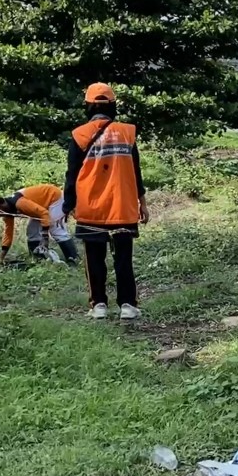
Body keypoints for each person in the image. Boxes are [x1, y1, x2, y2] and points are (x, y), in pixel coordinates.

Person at [63, 83, 150, 322]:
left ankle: (99, 305)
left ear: (89, 106)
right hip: (122, 206)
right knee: (123, 258)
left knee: (94, 259)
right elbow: (136, 171)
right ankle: (128, 306)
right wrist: (142, 202)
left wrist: (67, 205)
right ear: (113, 106)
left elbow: (71, 175)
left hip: (91, 207)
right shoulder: (127, 132)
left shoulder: (79, 134)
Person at [0, 184, 78, 265]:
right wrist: (1, 257)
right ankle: (38, 260)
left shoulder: (19, 203)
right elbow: (8, 234)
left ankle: (73, 259)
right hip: (41, 207)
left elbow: (43, 213)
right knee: (32, 231)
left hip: (54, 198)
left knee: (55, 229)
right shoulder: (8, 211)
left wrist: (45, 236)